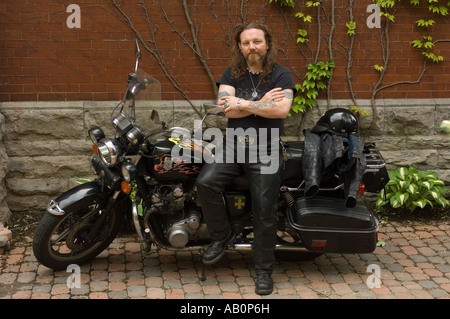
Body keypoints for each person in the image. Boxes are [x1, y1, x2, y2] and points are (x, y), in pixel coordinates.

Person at [196, 21, 295, 295]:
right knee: (206, 182)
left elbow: (281, 111)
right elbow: (222, 111)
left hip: (266, 147)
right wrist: (261, 103)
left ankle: (264, 271)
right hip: (233, 146)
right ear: (240, 47)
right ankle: (221, 236)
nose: (252, 46)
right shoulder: (232, 74)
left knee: (264, 212)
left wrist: (242, 103)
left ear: (267, 44)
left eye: (257, 41)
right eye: (246, 42)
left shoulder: (282, 75)